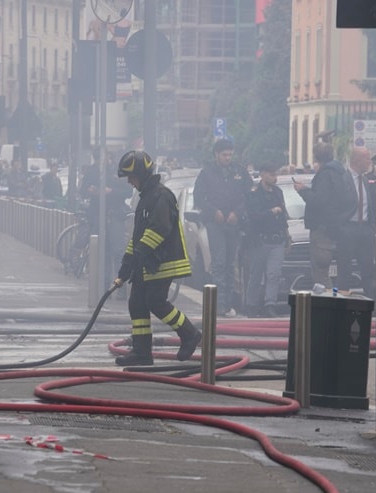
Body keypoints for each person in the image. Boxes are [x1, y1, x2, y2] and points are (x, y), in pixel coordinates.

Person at [113, 151, 202, 366]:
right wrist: (126, 264)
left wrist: (139, 255)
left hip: (163, 262)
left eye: (131, 177)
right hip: (148, 263)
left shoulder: (161, 195)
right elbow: (139, 234)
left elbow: (159, 229)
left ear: (142, 174)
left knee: (155, 302)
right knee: (136, 304)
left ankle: (190, 334)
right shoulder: (146, 197)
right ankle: (142, 352)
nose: (129, 182)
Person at [193, 139, 253, 317]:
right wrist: (213, 212)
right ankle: (219, 304)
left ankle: (227, 304)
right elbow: (199, 198)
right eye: (224, 154)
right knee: (218, 264)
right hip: (215, 224)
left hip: (234, 224)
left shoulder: (240, 172)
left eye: (230, 154)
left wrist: (237, 212)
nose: (228, 158)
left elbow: (248, 196)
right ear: (216, 155)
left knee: (230, 264)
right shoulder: (206, 174)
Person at [294, 142, 356, 291]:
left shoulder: (325, 174)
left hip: (322, 229)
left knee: (320, 273)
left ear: (316, 157)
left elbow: (319, 201)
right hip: (338, 227)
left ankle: (326, 302)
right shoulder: (342, 173)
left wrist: (303, 190)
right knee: (340, 273)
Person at [80, 150, 133, 288]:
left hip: (114, 214)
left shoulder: (119, 171)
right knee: (102, 251)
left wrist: (111, 191)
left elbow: (128, 192)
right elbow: (82, 190)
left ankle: (120, 285)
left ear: (110, 156)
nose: (101, 161)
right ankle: (104, 286)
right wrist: (89, 190)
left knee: (117, 251)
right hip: (98, 214)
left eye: (104, 157)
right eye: (98, 159)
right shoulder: (92, 171)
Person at [243, 163, 289, 318]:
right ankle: (251, 305)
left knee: (273, 274)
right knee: (256, 275)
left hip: (277, 240)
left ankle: (270, 304)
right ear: (262, 175)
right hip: (260, 240)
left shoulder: (278, 192)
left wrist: (287, 235)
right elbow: (254, 215)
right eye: (270, 174)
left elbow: (283, 216)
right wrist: (271, 211)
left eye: (275, 174)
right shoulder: (254, 194)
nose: (274, 177)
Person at [337, 146, 376, 299]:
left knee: (368, 268)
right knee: (345, 269)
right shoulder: (343, 179)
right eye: (367, 158)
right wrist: (340, 227)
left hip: (365, 229)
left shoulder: (366, 180)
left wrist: (372, 226)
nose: (369, 162)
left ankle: (371, 301)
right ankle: (343, 301)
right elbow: (336, 206)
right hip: (348, 229)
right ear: (357, 160)